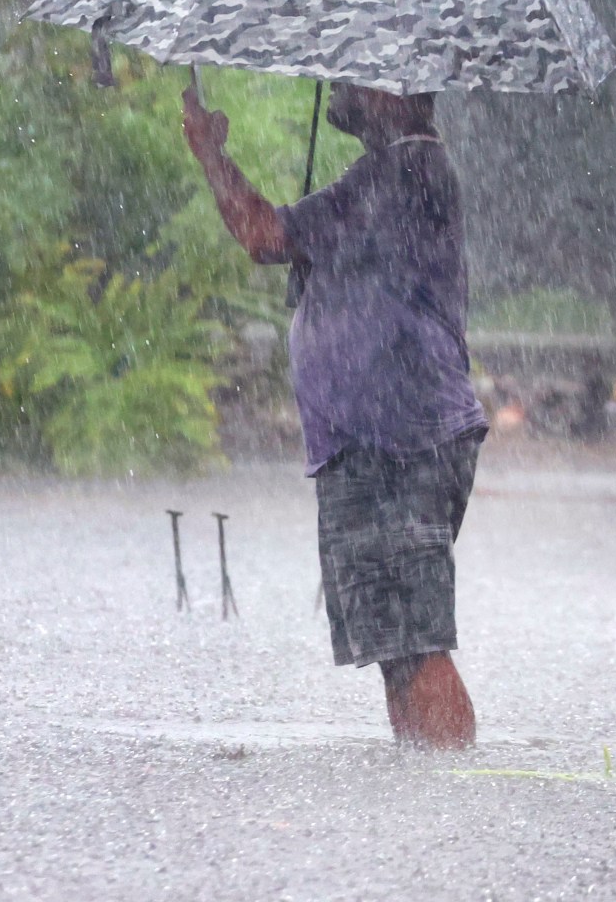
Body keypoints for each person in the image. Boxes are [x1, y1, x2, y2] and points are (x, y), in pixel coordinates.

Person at [182, 78, 488, 749]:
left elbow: (263, 234)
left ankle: (453, 792)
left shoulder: (404, 172)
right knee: (396, 644)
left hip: (398, 441)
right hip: (371, 441)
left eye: (358, 76)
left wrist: (211, 156)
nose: (342, 87)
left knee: (416, 638)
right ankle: (425, 785)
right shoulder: (389, 173)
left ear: (396, 89)